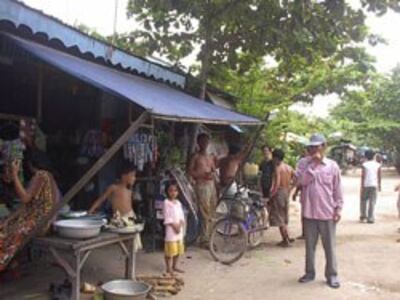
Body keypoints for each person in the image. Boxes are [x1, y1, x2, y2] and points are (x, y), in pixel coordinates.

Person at [296, 133, 343, 289]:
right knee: (310, 246)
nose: (313, 149)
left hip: (327, 213)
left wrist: (339, 208)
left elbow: (337, 189)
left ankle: (332, 275)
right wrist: (312, 167)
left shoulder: (332, 166)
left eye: (317, 146)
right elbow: (301, 182)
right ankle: (309, 273)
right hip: (309, 213)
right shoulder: (303, 164)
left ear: (324, 147)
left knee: (329, 246)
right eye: (311, 146)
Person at [0, 150, 60, 271]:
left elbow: (25, 198)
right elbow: (26, 206)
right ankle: (10, 264)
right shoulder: (47, 175)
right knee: (4, 226)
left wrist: (15, 175)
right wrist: (9, 219)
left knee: (8, 234)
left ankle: (6, 262)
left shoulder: (41, 175)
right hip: (39, 220)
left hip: (40, 223)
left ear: (31, 164)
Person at [188, 133, 218, 246]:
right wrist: (201, 174)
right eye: (202, 141)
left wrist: (212, 173)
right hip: (201, 185)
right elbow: (190, 172)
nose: (204, 144)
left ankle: (209, 235)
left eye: (206, 141)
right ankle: (204, 238)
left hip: (211, 185)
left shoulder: (210, 157)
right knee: (204, 212)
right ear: (198, 143)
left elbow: (214, 170)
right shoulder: (195, 156)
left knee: (211, 211)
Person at [269, 149, 295, 247]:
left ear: (276, 158)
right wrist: (291, 188)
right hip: (286, 191)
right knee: (284, 216)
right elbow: (296, 177)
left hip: (279, 192)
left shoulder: (278, 168)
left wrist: (272, 194)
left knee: (279, 217)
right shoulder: (288, 167)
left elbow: (277, 183)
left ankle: (285, 240)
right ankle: (287, 237)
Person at [163, 181, 185, 276]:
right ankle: (169, 268)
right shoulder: (166, 202)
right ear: (167, 192)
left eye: (175, 190)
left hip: (179, 230)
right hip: (171, 230)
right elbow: (167, 216)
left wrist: (180, 224)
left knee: (178, 250)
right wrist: (174, 225)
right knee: (170, 250)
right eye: (171, 190)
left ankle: (174, 266)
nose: (173, 192)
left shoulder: (178, 203)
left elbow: (181, 215)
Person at [292, 146, 311, 239]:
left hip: (305, 192)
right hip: (315, 194)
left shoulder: (302, 162)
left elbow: (298, 179)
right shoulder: (320, 162)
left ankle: (305, 233)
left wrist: (295, 192)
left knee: (305, 214)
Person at [360, 150, 381, 223]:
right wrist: (379, 185)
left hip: (366, 184)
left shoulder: (364, 164)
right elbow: (379, 176)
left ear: (366, 156)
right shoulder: (378, 165)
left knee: (363, 200)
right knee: (372, 201)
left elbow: (363, 176)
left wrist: (362, 186)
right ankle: (370, 218)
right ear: (373, 156)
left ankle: (363, 215)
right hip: (374, 184)